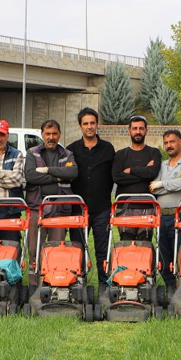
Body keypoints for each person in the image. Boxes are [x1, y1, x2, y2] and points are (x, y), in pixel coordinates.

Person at [68, 107, 116, 285]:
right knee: (78, 249)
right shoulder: (71, 150)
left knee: (102, 250)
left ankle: (104, 286)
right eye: (85, 123)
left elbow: (113, 176)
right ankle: (78, 284)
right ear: (80, 126)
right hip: (78, 209)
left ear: (97, 125)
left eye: (92, 123)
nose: (89, 126)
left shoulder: (108, 149)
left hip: (101, 209)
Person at [23, 119, 79, 266]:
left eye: (54, 133)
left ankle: (52, 284)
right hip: (36, 206)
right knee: (34, 249)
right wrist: (58, 177)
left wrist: (47, 170)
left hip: (60, 207)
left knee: (56, 248)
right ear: (42, 134)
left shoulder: (67, 154)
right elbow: (30, 176)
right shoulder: (32, 153)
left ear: (59, 134)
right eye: (48, 134)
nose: (51, 137)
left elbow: (72, 172)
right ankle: (34, 285)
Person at [150, 129, 181, 289]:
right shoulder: (161, 165)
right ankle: (171, 288)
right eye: (166, 143)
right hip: (162, 217)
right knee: (163, 259)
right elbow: (152, 189)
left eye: (172, 141)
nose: (169, 145)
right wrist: (170, 185)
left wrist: (162, 184)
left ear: (180, 142)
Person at [111, 115, 161, 241]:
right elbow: (117, 177)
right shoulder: (120, 154)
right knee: (126, 245)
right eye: (134, 128)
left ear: (146, 131)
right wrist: (144, 170)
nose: (138, 131)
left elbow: (153, 173)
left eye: (141, 128)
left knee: (145, 245)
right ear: (129, 131)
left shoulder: (154, 152)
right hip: (125, 206)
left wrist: (131, 170)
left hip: (147, 206)